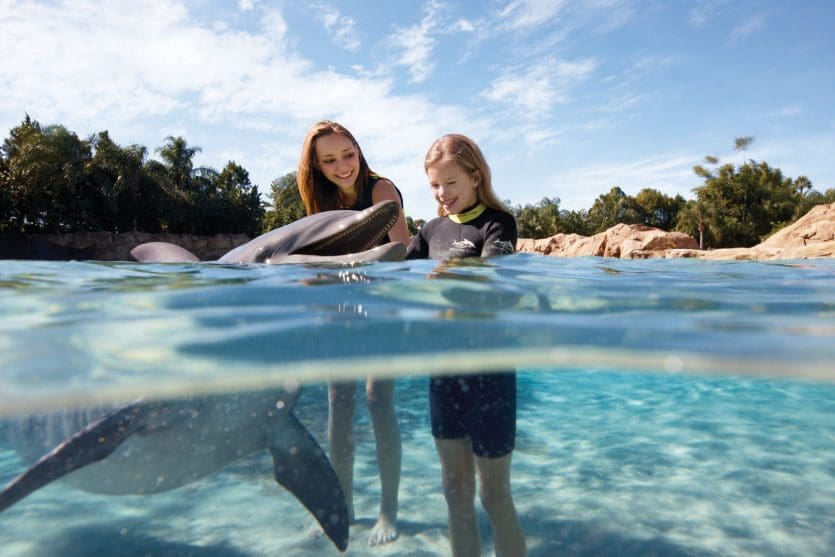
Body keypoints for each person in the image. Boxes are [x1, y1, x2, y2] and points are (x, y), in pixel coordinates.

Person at [406, 134, 527, 557]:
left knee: (494, 496)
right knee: (455, 492)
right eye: (435, 186)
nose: (443, 195)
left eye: (451, 183)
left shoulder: (498, 223)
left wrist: (447, 275)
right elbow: (398, 276)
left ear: (475, 176)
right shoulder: (429, 231)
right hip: (444, 370)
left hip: (489, 369)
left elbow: (493, 276)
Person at [297, 120, 409, 546]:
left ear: (359, 150)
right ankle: (341, 505)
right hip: (341, 311)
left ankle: (388, 511)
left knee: (378, 402)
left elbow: (398, 256)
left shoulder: (381, 190)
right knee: (337, 409)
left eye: (349, 154)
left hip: (383, 305)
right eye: (329, 160)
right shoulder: (321, 199)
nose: (343, 166)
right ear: (316, 167)